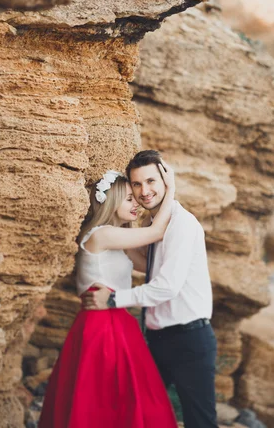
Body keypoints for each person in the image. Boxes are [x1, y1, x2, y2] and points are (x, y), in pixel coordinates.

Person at [83, 150, 219, 428]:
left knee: (200, 422)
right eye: (136, 184)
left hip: (189, 340)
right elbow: (149, 266)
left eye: (151, 181)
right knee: (138, 412)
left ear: (166, 181)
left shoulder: (182, 224)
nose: (144, 191)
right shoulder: (152, 225)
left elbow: (166, 287)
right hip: (157, 341)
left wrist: (112, 300)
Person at [38, 167, 178, 428]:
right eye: (129, 198)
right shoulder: (101, 235)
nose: (136, 203)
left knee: (125, 397)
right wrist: (169, 190)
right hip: (101, 325)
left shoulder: (117, 239)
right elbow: (157, 233)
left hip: (117, 321)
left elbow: (148, 264)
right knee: (103, 399)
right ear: (111, 201)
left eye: (135, 199)